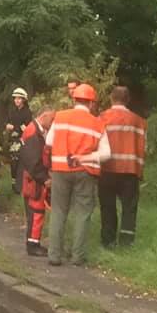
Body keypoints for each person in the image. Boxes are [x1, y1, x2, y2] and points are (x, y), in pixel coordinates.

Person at [45, 83, 109, 266]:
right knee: (82, 213)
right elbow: (106, 154)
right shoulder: (97, 124)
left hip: (60, 171)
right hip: (85, 172)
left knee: (58, 211)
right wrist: (87, 156)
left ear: (74, 99)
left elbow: (49, 141)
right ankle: (77, 256)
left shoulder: (61, 117)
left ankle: (54, 256)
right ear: (91, 103)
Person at [99, 86, 147, 247]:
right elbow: (142, 150)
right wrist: (140, 172)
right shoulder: (138, 121)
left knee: (107, 206)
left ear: (111, 98)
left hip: (107, 170)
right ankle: (127, 242)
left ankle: (108, 241)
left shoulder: (102, 118)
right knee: (129, 208)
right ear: (128, 100)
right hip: (130, 171)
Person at [17, 109, 55, 256]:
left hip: (31, 179)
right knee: (36, 211)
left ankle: (33, 242)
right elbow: (33, 161)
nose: (52, 125)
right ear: (44, 116)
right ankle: (33, 245)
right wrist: (45, 179)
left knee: (34, 212)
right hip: (34, 180)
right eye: (51, 121)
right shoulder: (33, 132)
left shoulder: (34, 130)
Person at [5, 87, 33, 193]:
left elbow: (26, 128)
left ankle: (20, 186)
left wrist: (16, 128)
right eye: (15, 98)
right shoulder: (12, 111)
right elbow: (7, 122)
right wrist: (7, 126)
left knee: (20, 163)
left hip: (22, 141)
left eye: (19, 98)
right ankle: (14, 184)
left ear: (24, 100)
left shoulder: (27, 112)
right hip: (12, 140)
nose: (16, 100)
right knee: (13, 163)